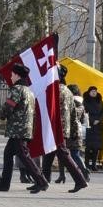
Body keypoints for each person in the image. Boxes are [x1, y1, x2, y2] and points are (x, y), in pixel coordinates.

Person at [0, 62, 49, 194]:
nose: (11, 77)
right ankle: (4, 184)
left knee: (24, 156)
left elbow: (9, 106)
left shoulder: (17, 89)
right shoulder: (29, 91)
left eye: (12, 74)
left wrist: (2, 115)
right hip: (24, 128)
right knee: (8, 154)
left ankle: (42, 181)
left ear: (17, 75)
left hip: (18, 129)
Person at [40, 65, 88, 193]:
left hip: (56, 129)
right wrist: (73, 131)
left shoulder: (54, 90)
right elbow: (73, 114)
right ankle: (43, 181)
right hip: (61, 129)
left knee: (64, 156)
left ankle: (80, 180)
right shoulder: (67, 91)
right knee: (48, 156)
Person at [56, 84, 89, 182]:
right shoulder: (81, 104)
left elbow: (68, 116)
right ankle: (83, 172)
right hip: (77, 131)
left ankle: (64, 175)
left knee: (66, 154)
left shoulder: (70, 102)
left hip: (69, 130)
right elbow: (82, 119)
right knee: (72, 154)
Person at [83, 86, 103, 171]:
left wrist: (99, 120)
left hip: (98, 126)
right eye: (92, 91)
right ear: (89, 92)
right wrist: (92, 120)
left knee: (96, 147)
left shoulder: (99, 100)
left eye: (95, 91)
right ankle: (86, 164)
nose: (94, 93)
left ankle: (94, 164)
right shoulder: (85, 101)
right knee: (88, 147)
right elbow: (84, 113)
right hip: (89, 126)